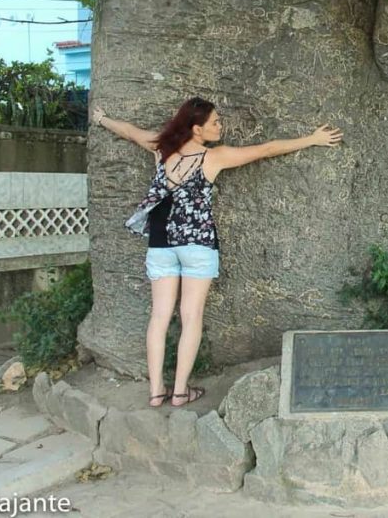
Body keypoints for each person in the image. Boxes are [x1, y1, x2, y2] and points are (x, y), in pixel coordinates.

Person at [91, 99, 343, 407]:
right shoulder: (214, 158)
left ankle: (157, 390)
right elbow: (265, 150)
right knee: (191, 316)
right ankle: (181, 391)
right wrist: (312, 139)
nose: (220, 127)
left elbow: (130, 132)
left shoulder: (162, 148)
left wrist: (102, 119)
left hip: (161, 244)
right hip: (197, 247)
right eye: (214, 123)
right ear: (196, 129)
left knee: (159, 316)